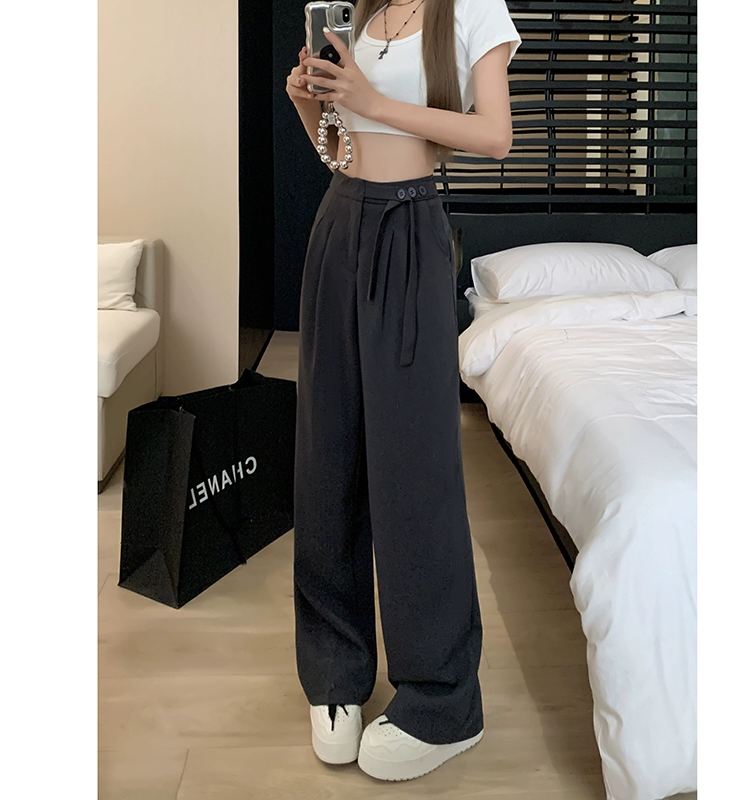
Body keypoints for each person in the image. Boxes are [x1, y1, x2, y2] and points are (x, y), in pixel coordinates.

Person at [284, 0, 521, 782]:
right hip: (339, 224)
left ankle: (443, 700)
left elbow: (495, 136)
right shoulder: (363, 11)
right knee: (329, 455)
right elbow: (339, 150)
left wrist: (373, 100)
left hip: (411, 226)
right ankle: (335, 670)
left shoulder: (474, 10)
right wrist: (312, 104)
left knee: (414, 467)